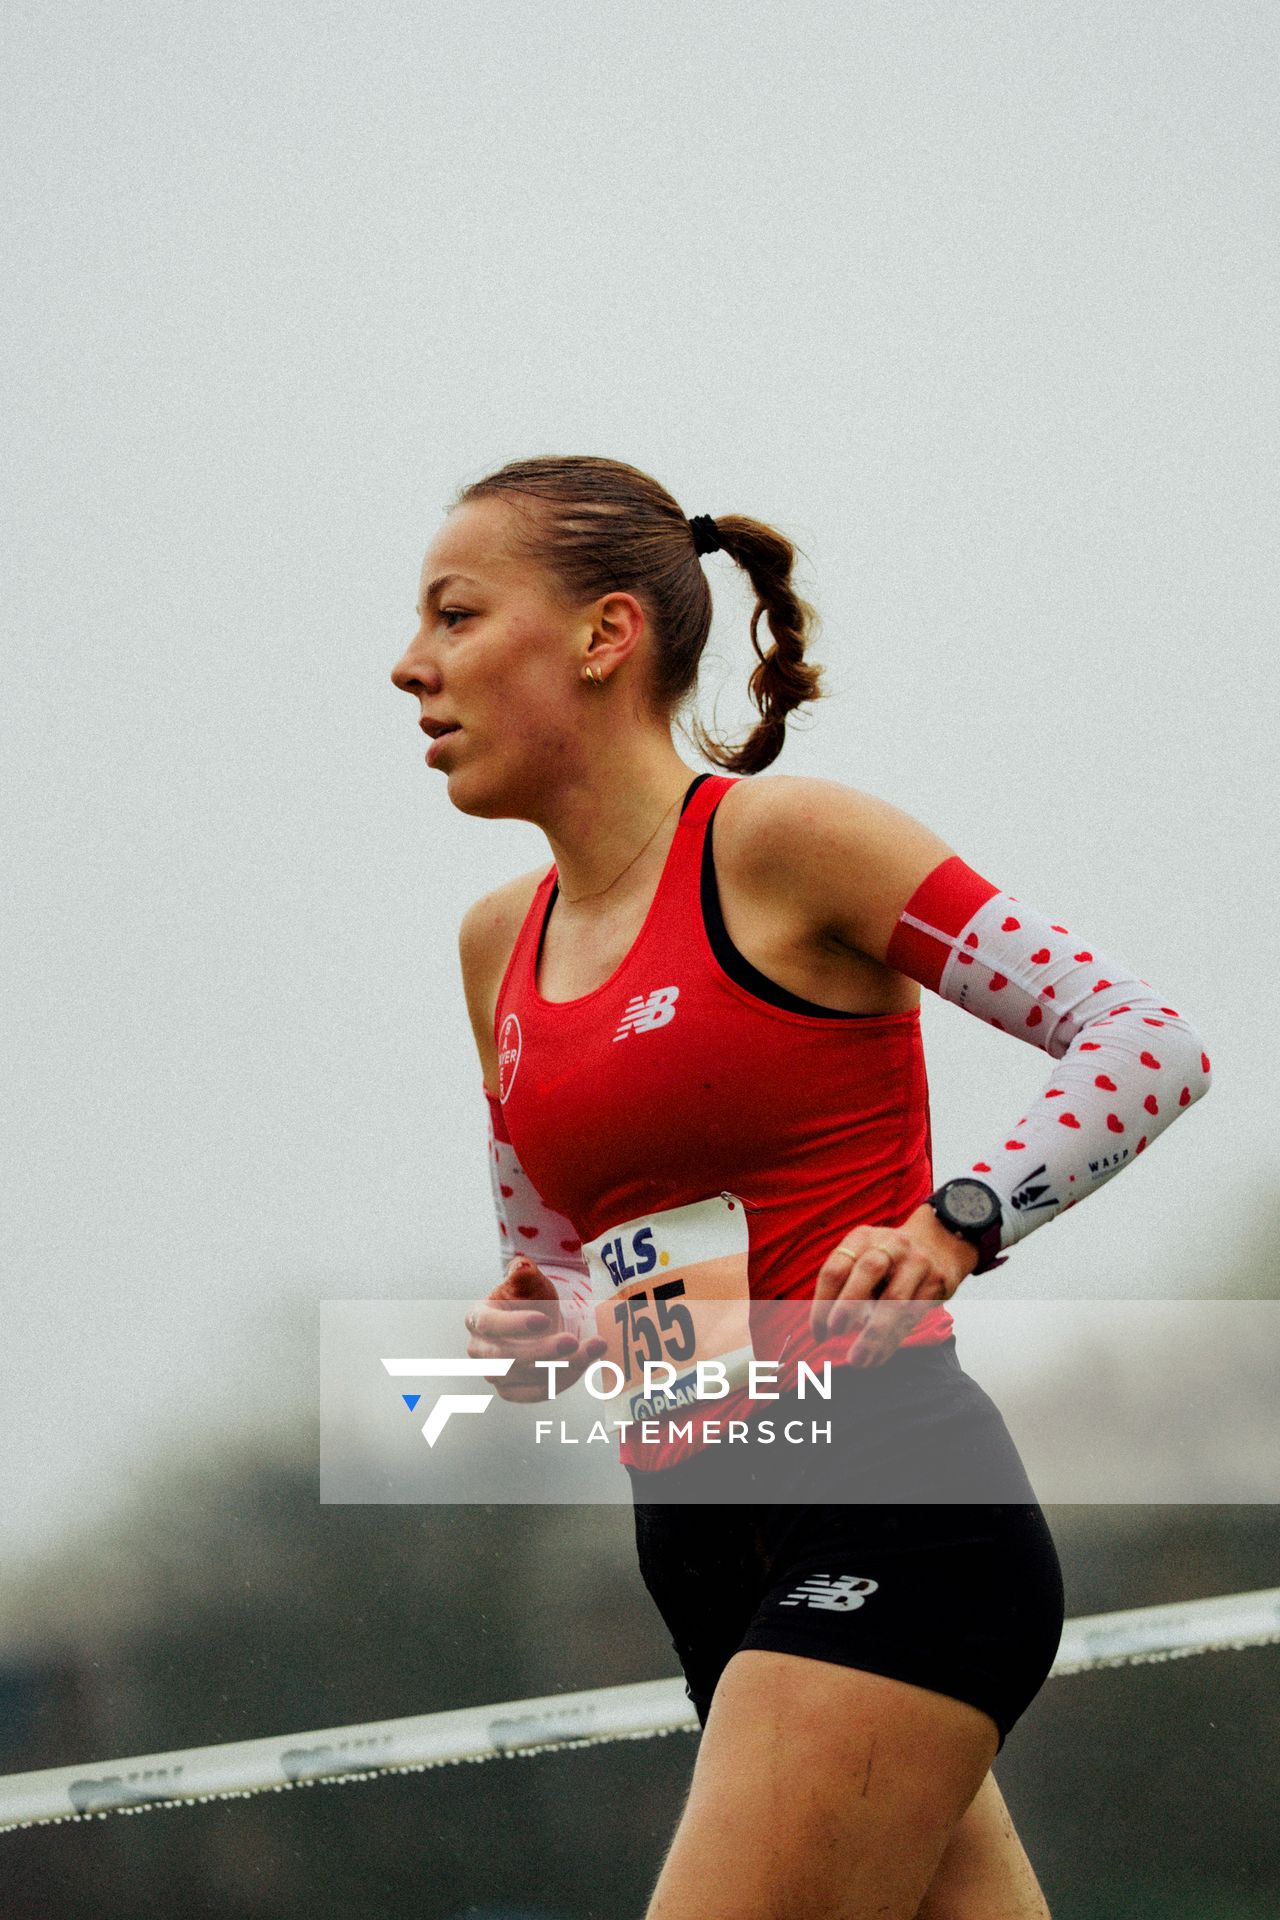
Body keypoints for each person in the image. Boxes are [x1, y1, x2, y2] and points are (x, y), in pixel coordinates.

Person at [391, 455, 1210, 1920]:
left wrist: (957, 1223)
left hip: (888, 1507)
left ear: (604, 634)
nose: (410, 667)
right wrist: (550, 1327)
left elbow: (1144, 1038)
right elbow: (574, 1266)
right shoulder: (493, 946)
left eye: (456, 616)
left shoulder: (788, 847)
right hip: (700, 1553)